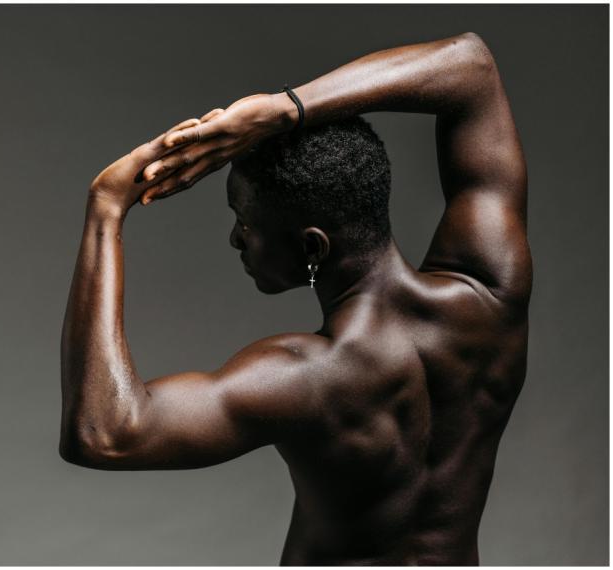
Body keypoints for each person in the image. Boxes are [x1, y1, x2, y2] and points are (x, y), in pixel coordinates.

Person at [59, 32, 531, 565]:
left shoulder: (306, 377)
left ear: (312, 246)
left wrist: (105, 210)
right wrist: (287, 110)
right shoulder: (488, 297)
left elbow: (105, 434)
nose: (236, 239)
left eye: (245, 223)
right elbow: (471, 68)